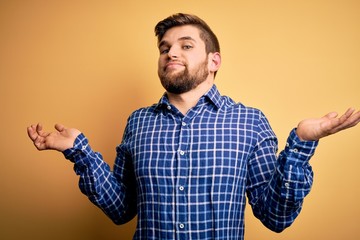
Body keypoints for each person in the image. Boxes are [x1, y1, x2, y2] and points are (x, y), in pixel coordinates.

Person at [27, 13, 360, 240]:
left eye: (186, 45)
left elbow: (276, 218)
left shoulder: (250, 122)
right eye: (165, 48)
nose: (171, 53)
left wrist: (300, 144)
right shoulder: (138, 122)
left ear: (214, 61)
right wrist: (78, 150)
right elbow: (122, 210)